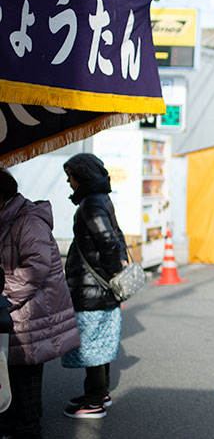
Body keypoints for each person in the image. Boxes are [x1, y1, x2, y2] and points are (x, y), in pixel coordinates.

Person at [0, 169, 80, 437]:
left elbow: (35, 269)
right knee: (12, 377)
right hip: (19, 314)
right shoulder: (9, 218)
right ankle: (14, 424)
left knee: (26, 380)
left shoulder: (28, 221)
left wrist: (3, 299)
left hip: (29, 313)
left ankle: (29, 430)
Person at [61, 153, 127, 419]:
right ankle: (100, 393)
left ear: (82, 175)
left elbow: (108, 241)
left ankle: (94, 400)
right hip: (100, 285)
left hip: (92, 286)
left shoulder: (90, 204)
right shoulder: (101, 199)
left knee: (92, 344)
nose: (69, 182)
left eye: (71, 176)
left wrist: (113, 272)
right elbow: (114, 238)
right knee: (100, 341)